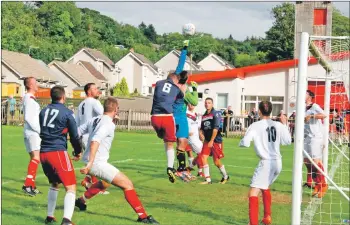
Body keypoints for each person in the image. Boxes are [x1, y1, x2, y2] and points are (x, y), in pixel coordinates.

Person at [75, 97, 159, 224]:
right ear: (115, 109)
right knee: (127, 184)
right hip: (96, 163)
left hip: (92, 161)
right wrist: (90, 163)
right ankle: (143, 216)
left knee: (105, 183)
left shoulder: (95, 119)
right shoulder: (107, 123)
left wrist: (77, 151)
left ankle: (81, 200)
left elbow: (76, 132)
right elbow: (95, 141)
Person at [239, 101, 291, 225]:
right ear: (271, 111)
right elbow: (288, 141)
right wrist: (285, 124)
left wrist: (241, 142)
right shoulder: (278, 125)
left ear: (260, 111)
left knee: (253, 192)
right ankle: (267, 217)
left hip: (266, 163)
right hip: (278, 162)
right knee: (265, 187)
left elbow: (246, 143)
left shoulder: (255, 125)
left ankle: (253, 223)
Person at [39, 86, 83, 225]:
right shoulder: (67, 113)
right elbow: (75, 136)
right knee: (71, 187)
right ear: (63, 97)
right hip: (57, 152)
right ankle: (67, 221)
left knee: (54, 183)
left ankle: (50, 216)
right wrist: (77, 151)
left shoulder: (43, 111)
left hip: (43, 152)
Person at [151, 69, 188, 183]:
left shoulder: (158, 83)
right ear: (176, 80)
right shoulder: (177, 89)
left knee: (162, 138)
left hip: (155, 117)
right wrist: (183, 89)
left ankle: (162, 135)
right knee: (170, 143)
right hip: (167, 117)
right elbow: (181, 96)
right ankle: (170, 167)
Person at [172, 40, 199, 179]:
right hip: (180, 117)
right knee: (182, 143)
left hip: (170, 117)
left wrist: (185, 48)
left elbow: (180, 64)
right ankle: (180, 169)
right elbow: (194, 102)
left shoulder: (174, 80)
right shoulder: (184, 89)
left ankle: (178, 169)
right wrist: (195, 89)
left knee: (177, 143)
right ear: (186, 78)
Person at [75, 83, 108, 194]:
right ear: (89, 91)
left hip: (83, 136)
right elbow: (104, 115)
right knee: (96, 162)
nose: (97, 90)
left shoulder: (81, 104)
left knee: (92, 161)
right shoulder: (94, 102)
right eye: (94, 88)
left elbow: (77, 123)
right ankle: (94, 186)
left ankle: (88, 181)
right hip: (92, 136)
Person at [199, 98, 229, 185]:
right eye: (206, 103)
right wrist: (200, 133)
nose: (207, 104)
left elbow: (216, 129)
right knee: (203, 157)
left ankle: (225, 176)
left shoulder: (215, 113)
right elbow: (202, 128)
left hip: (216, 140)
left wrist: (212, 140)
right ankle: (208, 180)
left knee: (216, 162)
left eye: (209, 103)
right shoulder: (204, 115)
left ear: (212, 104)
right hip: (207, 140)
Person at [303, 90, 328, 198]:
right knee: (307, 162)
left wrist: (312, 116)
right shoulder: (302, 107)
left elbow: (324, 115)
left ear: (310, 96)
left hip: (315, 137)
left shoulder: (314, 106)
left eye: (305, 93)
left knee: (316, 162)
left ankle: (323, 185)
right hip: (306, 137)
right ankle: (317, 183)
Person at [22, 77, 42, 196]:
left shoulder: (29, 98)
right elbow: (29, 118)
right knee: (36, 158)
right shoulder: (29, 99)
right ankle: (27, 184)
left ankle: (31, 185)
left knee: (34, 159)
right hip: (33, 133)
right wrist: (40, 131)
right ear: (30, 85)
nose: (37, 85)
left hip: (30, 132)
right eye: (35, 83)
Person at [186, 103, 203, 177]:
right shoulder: (184, 114)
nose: (191, 105)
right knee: (200, 154)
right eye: (190, 104)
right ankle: (190, 170)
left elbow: (198, 126)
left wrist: (200, 134)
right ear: (187, 104)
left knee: (201, 154)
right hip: (189, 138)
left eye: (193, 104)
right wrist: (186, 132)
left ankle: (192, 170)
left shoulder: (196, 114)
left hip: (196, 138)